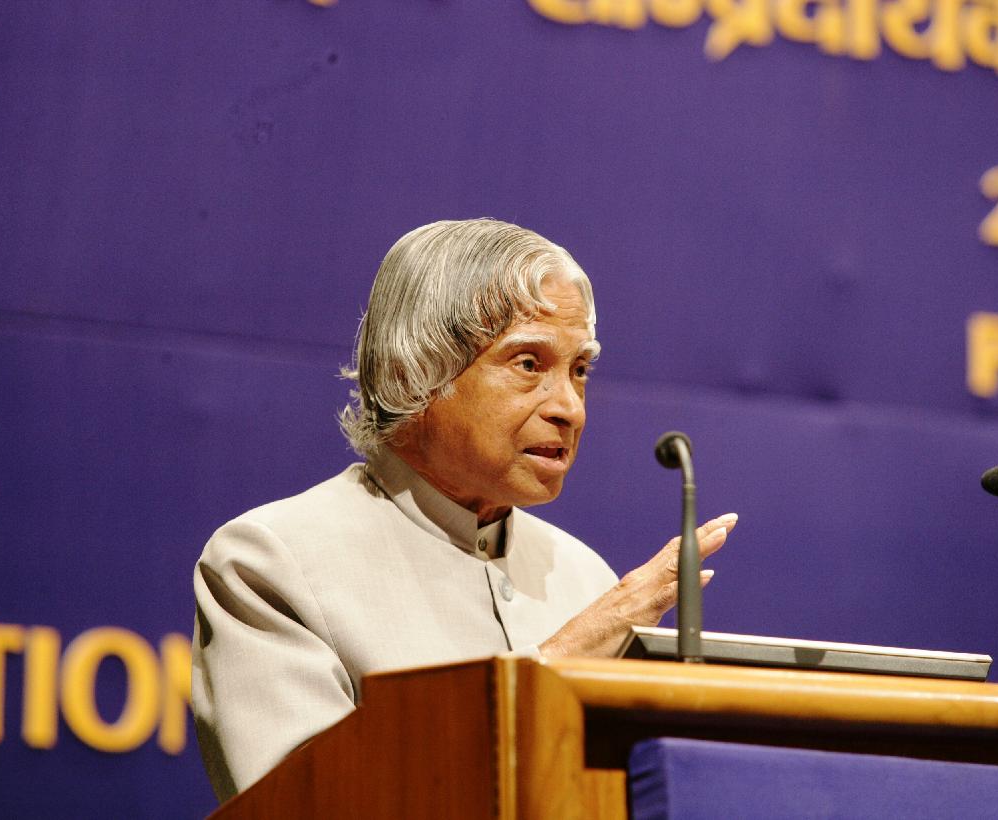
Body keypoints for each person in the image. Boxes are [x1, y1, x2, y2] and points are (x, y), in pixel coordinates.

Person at [191, 218, 738, 802]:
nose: (570, 408)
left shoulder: (584, 577)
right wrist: (553, 667)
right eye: (528, 364)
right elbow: (305, 808)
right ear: (413, 371)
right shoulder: (270, 562)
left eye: (579, 370)